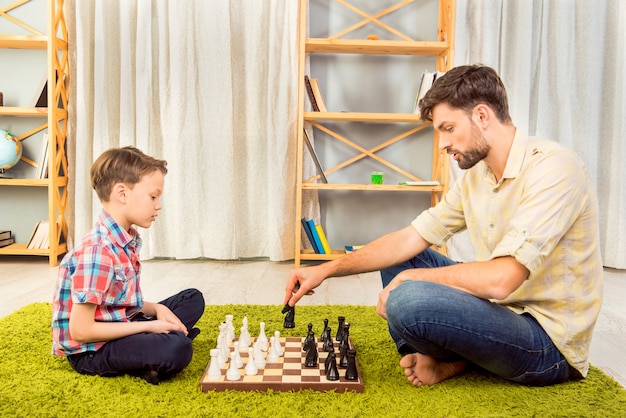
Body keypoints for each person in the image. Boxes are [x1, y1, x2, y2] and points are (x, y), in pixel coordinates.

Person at [284, 64, 604, 387]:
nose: (441, 144)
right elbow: (412, 237)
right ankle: (447, 357)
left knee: (407, 301)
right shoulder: (476, 177)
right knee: (400, 261)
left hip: (546, 345)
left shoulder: (555, 169)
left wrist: (413, 278)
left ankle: (449, 355)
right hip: (499, 314)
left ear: (482, 116)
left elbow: (502, 280)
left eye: (448, 128)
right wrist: (327, 269)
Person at [52, 146, 205, 385]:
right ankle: (155, 351)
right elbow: (80, 331)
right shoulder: (98, 250)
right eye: (153, 196)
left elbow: (115, 301)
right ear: (122, 193)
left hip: (119, 322)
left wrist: (156, 310)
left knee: (192, 299)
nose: (158, 205)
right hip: (92, 350)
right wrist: (153, 326)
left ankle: (151, 350)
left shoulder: (124, 240)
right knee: (178, 348)